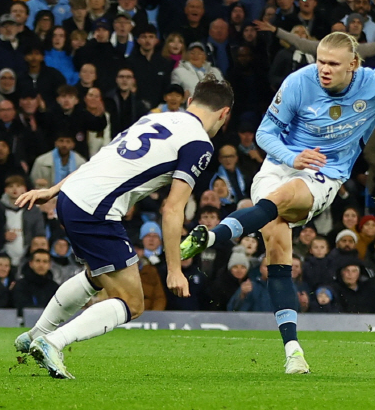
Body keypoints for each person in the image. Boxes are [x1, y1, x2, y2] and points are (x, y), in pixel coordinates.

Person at [180, 31, 375, 373]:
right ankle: (293, 352)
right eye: (320, 60)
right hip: (282, 162)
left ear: (352, 64)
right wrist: (293, 157)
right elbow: (264, 133)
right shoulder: (299, 82)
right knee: (277, 246)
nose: (323, 68)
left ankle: (215, 234)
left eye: (333, 64)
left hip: (325, 173)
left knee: (283, 197)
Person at [13, 73, 233, 379]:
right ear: (225, 114)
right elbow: (172, 208)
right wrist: (174, 269)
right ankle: (52, 341)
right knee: (132, 301)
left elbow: (103, 159)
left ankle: (34, 334)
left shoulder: (154, 119)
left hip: (72, 197)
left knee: (96, 276)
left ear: (190, 101)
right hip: (96, 210)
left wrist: (53, 190)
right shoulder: (199, 144)